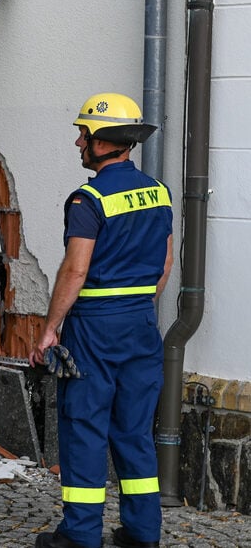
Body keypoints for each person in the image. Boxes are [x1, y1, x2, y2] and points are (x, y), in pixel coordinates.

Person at [29, 93, 174, 548]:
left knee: (85, 427)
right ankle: (142, 532)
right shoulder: (158, 191)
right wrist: (134, 304)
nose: (78, 143)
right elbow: (165, 264)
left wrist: (51, 329)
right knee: (133, 430)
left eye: (83, 134)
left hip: (94, 325)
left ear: (103, 140)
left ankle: (80, 534)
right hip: (140, 325)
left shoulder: (87, 199)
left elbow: (75, 269)